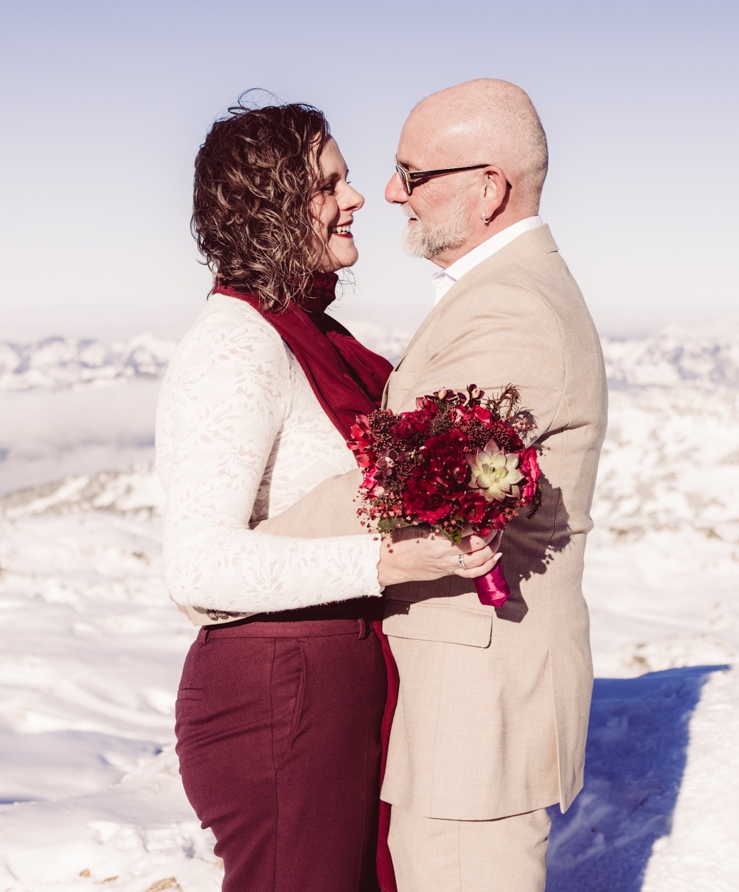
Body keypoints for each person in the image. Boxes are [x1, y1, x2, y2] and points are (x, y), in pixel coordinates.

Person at [156, 99, 499, 892]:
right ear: (270, 206)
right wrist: (390, 560)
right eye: (329, 184)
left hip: (326, 685)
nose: (357, 199)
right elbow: (198, 566)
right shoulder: (236, 347)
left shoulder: (311, 338)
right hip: (278, 695)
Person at [275, 79, 609, 892]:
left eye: (411, 174)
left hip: (476, 707)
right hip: (462, 694)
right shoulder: (496, 296)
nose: (390, 192)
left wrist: (247, 550)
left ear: (488, 188)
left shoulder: (513, 312)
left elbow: (411, 482)